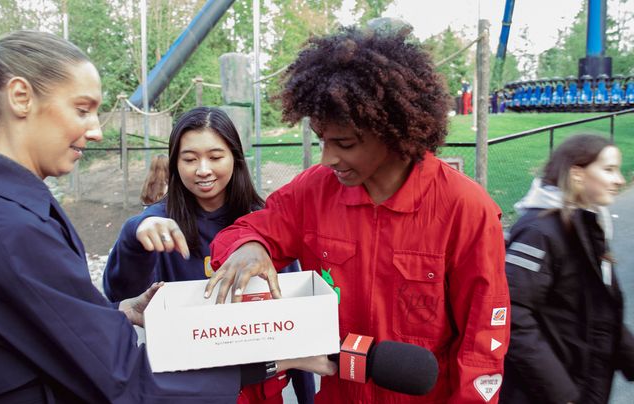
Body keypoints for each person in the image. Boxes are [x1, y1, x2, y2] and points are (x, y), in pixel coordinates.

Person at [0, 30, 334, 403]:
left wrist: (111, 316)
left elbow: (31, 325)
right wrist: (269, 360)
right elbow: (123, 378)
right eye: (82, 109)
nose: (96, 130)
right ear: (21, 97)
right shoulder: (5, 229)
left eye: (215, 156)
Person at [205, 27, 510, 403]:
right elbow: (250, 230)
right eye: (322, 140)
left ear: (392, 130)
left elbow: (483, 343)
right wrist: (250, 245)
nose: (327, 158)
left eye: (344, 143)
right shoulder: (313, 190)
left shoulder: (466, 208)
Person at [104, 106, 315, 404]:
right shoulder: (158, 226)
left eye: (215, 157)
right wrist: (132, 236)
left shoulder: (264, 224)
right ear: (175, 163)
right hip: (188, 386)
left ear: (235, 158)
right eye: (189, 159)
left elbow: (294, 318)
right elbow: (121, 297)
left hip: (260, 387)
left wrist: (308, 398)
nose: (203, 169)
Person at [501, 134, 634, 404]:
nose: (619, 180)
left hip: (581, 385)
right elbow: (512, 315)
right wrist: (562, 395)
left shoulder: (588, 224)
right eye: (608, 170)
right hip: (542, 394)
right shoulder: (539, 231)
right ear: (577, 174)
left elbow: (602, 314)